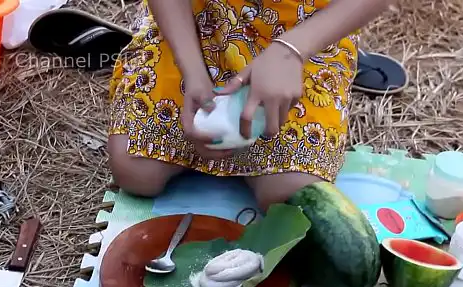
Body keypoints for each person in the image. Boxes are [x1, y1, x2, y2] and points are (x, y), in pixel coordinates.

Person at [107, 0, 394, 212]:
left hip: (307, 29)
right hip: (201, 17)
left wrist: (293, 50)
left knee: (291, 196)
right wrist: (191, 68)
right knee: (136, 170)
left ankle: (333, 41)